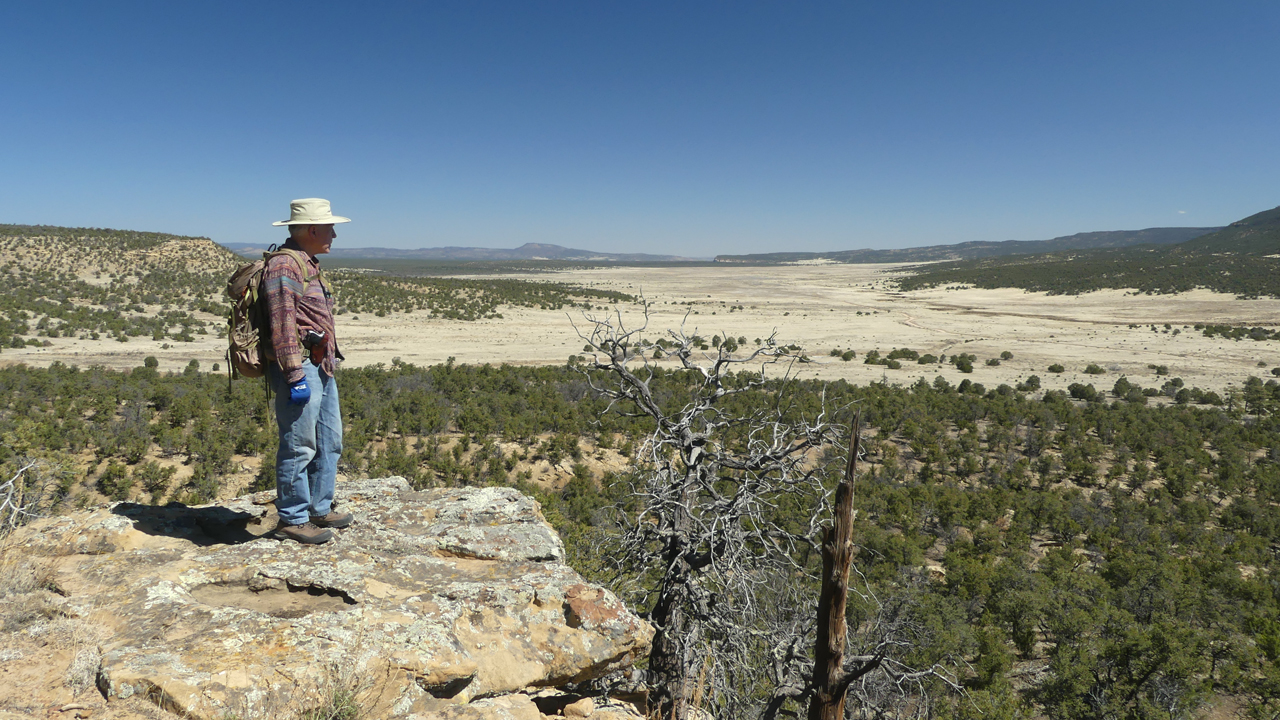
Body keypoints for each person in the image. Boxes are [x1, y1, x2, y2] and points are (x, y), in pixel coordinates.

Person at [265, 198, 354, 544]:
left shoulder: (307, 263)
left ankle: (318, 506)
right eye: (330, 227)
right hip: (300, 367)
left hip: (321, 365)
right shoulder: (285, 266)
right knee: (299, 444)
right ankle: (293, 517)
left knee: (330, 440)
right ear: (313, 229)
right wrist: (293, 375)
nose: (334, 234)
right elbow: (282, 324)